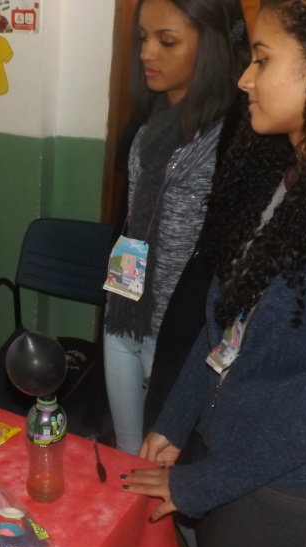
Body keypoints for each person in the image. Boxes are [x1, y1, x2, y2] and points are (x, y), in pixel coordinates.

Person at [124, 1, 306, 547]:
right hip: (234, 457)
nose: (244, 78)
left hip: (291, 488)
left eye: (262, 61)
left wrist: (200, 485)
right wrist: (176, 419)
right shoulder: (282, 173)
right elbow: (226, 319)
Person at [102, 0, 249, 456]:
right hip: (125, 314)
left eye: (166, 41)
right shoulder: (145, 130)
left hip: (176, 336)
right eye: (143, 39)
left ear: (211, 47)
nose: (148, 53)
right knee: (127, 455)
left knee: (161, 464)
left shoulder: (233, 135)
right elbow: (127, 223)